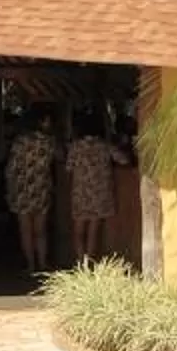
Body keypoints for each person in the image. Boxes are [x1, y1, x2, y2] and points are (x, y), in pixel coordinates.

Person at [4, 110, 59, 274]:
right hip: (42, 187)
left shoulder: (20, 142)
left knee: (25, 230)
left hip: (21, 189)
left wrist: (9, 186)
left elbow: (11, 168)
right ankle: (43, 263)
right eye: (47, 120)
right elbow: (61, 157)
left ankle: (30, 264)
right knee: (41, 230)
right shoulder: (50, 141)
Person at [64, 110, 119, 265]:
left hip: (80, 193)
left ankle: (81, 265)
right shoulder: (105, 146)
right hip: (100, 194)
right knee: (93, 233)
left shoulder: (75, 147)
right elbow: (123, 160)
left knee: (78, 232)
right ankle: (89, 266)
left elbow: (69, 167)